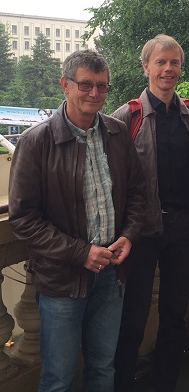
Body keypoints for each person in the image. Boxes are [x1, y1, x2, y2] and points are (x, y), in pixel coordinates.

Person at [8, 49, 146, 391]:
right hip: (61, 281)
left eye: (102, 86)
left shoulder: (116, 133)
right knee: (58, 376)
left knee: (103, 368)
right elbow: (23, 218)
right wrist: (80, 253)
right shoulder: (36, 142)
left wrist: (128, 235)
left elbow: (137, 194)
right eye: (86, 85)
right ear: (65, 86)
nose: (95, 94)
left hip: (112, 273)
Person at [112, 34, 189, 392]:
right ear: (146, 66)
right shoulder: (126, 117)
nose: (168, 69)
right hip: (141, 233)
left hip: (183, 229)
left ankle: (166, 381)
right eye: (161, 62)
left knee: (175, 314)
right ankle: (122, 383)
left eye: (174, 62)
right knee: (133, 317)